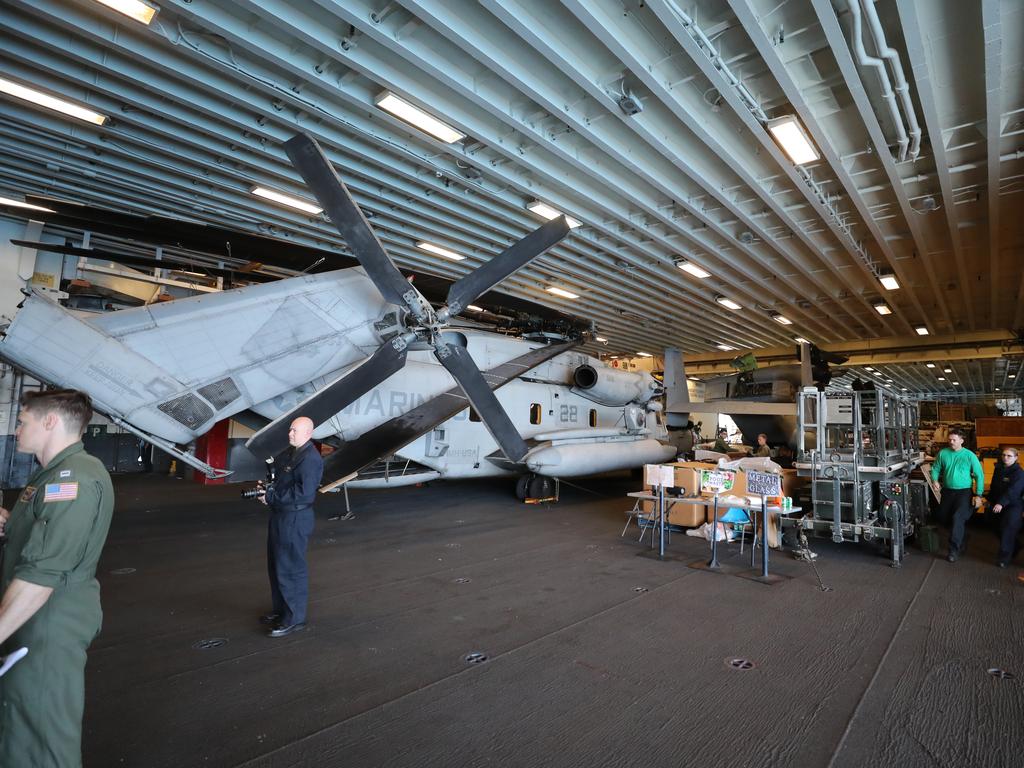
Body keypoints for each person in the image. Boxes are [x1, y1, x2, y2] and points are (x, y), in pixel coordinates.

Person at [0, 389, 114, 767]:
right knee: (20, 731)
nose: (17, 428)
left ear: (49, 421)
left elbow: (42, 575)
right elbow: (45, 534)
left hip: (46, 626)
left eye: (22, 421)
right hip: (30, 624)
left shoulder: (73, 479)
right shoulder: (52, 474)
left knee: (43, 740)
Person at [259, 416, 323, 638]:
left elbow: (304, 493)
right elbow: (282, 482)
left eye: (295, 431)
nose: (290, 434)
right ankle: (281, 610)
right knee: (277, 565)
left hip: (295, 518)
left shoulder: (310, 459)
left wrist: (272, 496)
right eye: (290, 430)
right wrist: (268, 492)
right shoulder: (292, 453)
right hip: (281, 515)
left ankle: (294, 618)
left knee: (291, 568)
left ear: (308, 433)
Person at [930, 428, 985, 563]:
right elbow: (935, 468)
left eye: (954, 440)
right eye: (950, 439)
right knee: (942, 517)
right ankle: (962, 535)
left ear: (962, 440)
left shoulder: (969, 455)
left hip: (964, 492)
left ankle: (954, 550)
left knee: (957, 518)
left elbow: (979, 475)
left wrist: (978, 494)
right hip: (948, 491)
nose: (951, 442)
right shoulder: (943, 453)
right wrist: (935, 480)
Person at [988, 447, 1024, 568]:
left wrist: (1001, 503)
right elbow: (994, 487)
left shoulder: (1019, 473)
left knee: (1007, 530)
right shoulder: (999, 469)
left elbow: (1013, 491)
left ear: (1016, 457)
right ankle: (1016, 546)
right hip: (998, 503)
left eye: (1009, 456)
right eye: (1004, 455)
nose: (1005, 458)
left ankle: (1004, 558)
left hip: (1013, 505)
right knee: (994, 526)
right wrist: (988, 500)